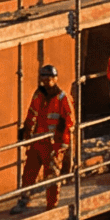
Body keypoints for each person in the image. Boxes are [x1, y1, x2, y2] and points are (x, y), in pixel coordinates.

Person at [19, 64, 77, 210]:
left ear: (55, 78)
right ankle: (24, 199)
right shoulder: (38, 94)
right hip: (38, 140)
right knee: (28, 172)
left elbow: (71, 120)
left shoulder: (62, 97)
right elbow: (32, 113)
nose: (46, 80)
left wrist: (61, 132)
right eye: (44, 77)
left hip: (54, 144)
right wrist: (26, 130)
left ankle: (51, 204)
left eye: (49, 77)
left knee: (51, 175)